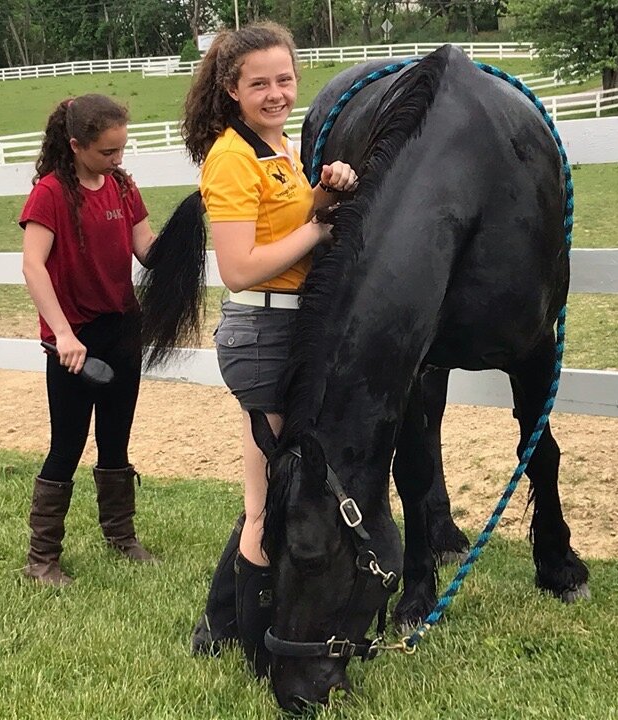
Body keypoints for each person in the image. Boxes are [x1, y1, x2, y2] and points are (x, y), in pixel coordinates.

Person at [177, 23, 357, 676]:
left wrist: (325, 194)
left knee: (272, 488)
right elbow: (240, 266)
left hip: (289, 328)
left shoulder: (277, 146)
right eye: (260, 84)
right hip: (262, 335)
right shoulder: (230, 156)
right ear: (232, 90)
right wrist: (317, 227)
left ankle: (220, 626)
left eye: (285, 79)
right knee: (265, 504)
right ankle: (256, 649)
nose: (277, 93)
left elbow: (291, 223)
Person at [19, 93, 159, 587]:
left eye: (122, 150)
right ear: (76, 145)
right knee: (67, 444)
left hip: (122, 328)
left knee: (115, 438)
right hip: (74, 338)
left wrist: (185, 230)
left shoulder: (122, 186)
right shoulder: (51, 194)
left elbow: (146, 250)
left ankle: (120, 536)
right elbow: (32, 265)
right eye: (107, 152)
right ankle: (42, 560)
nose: (117, 160)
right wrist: (61, 334)